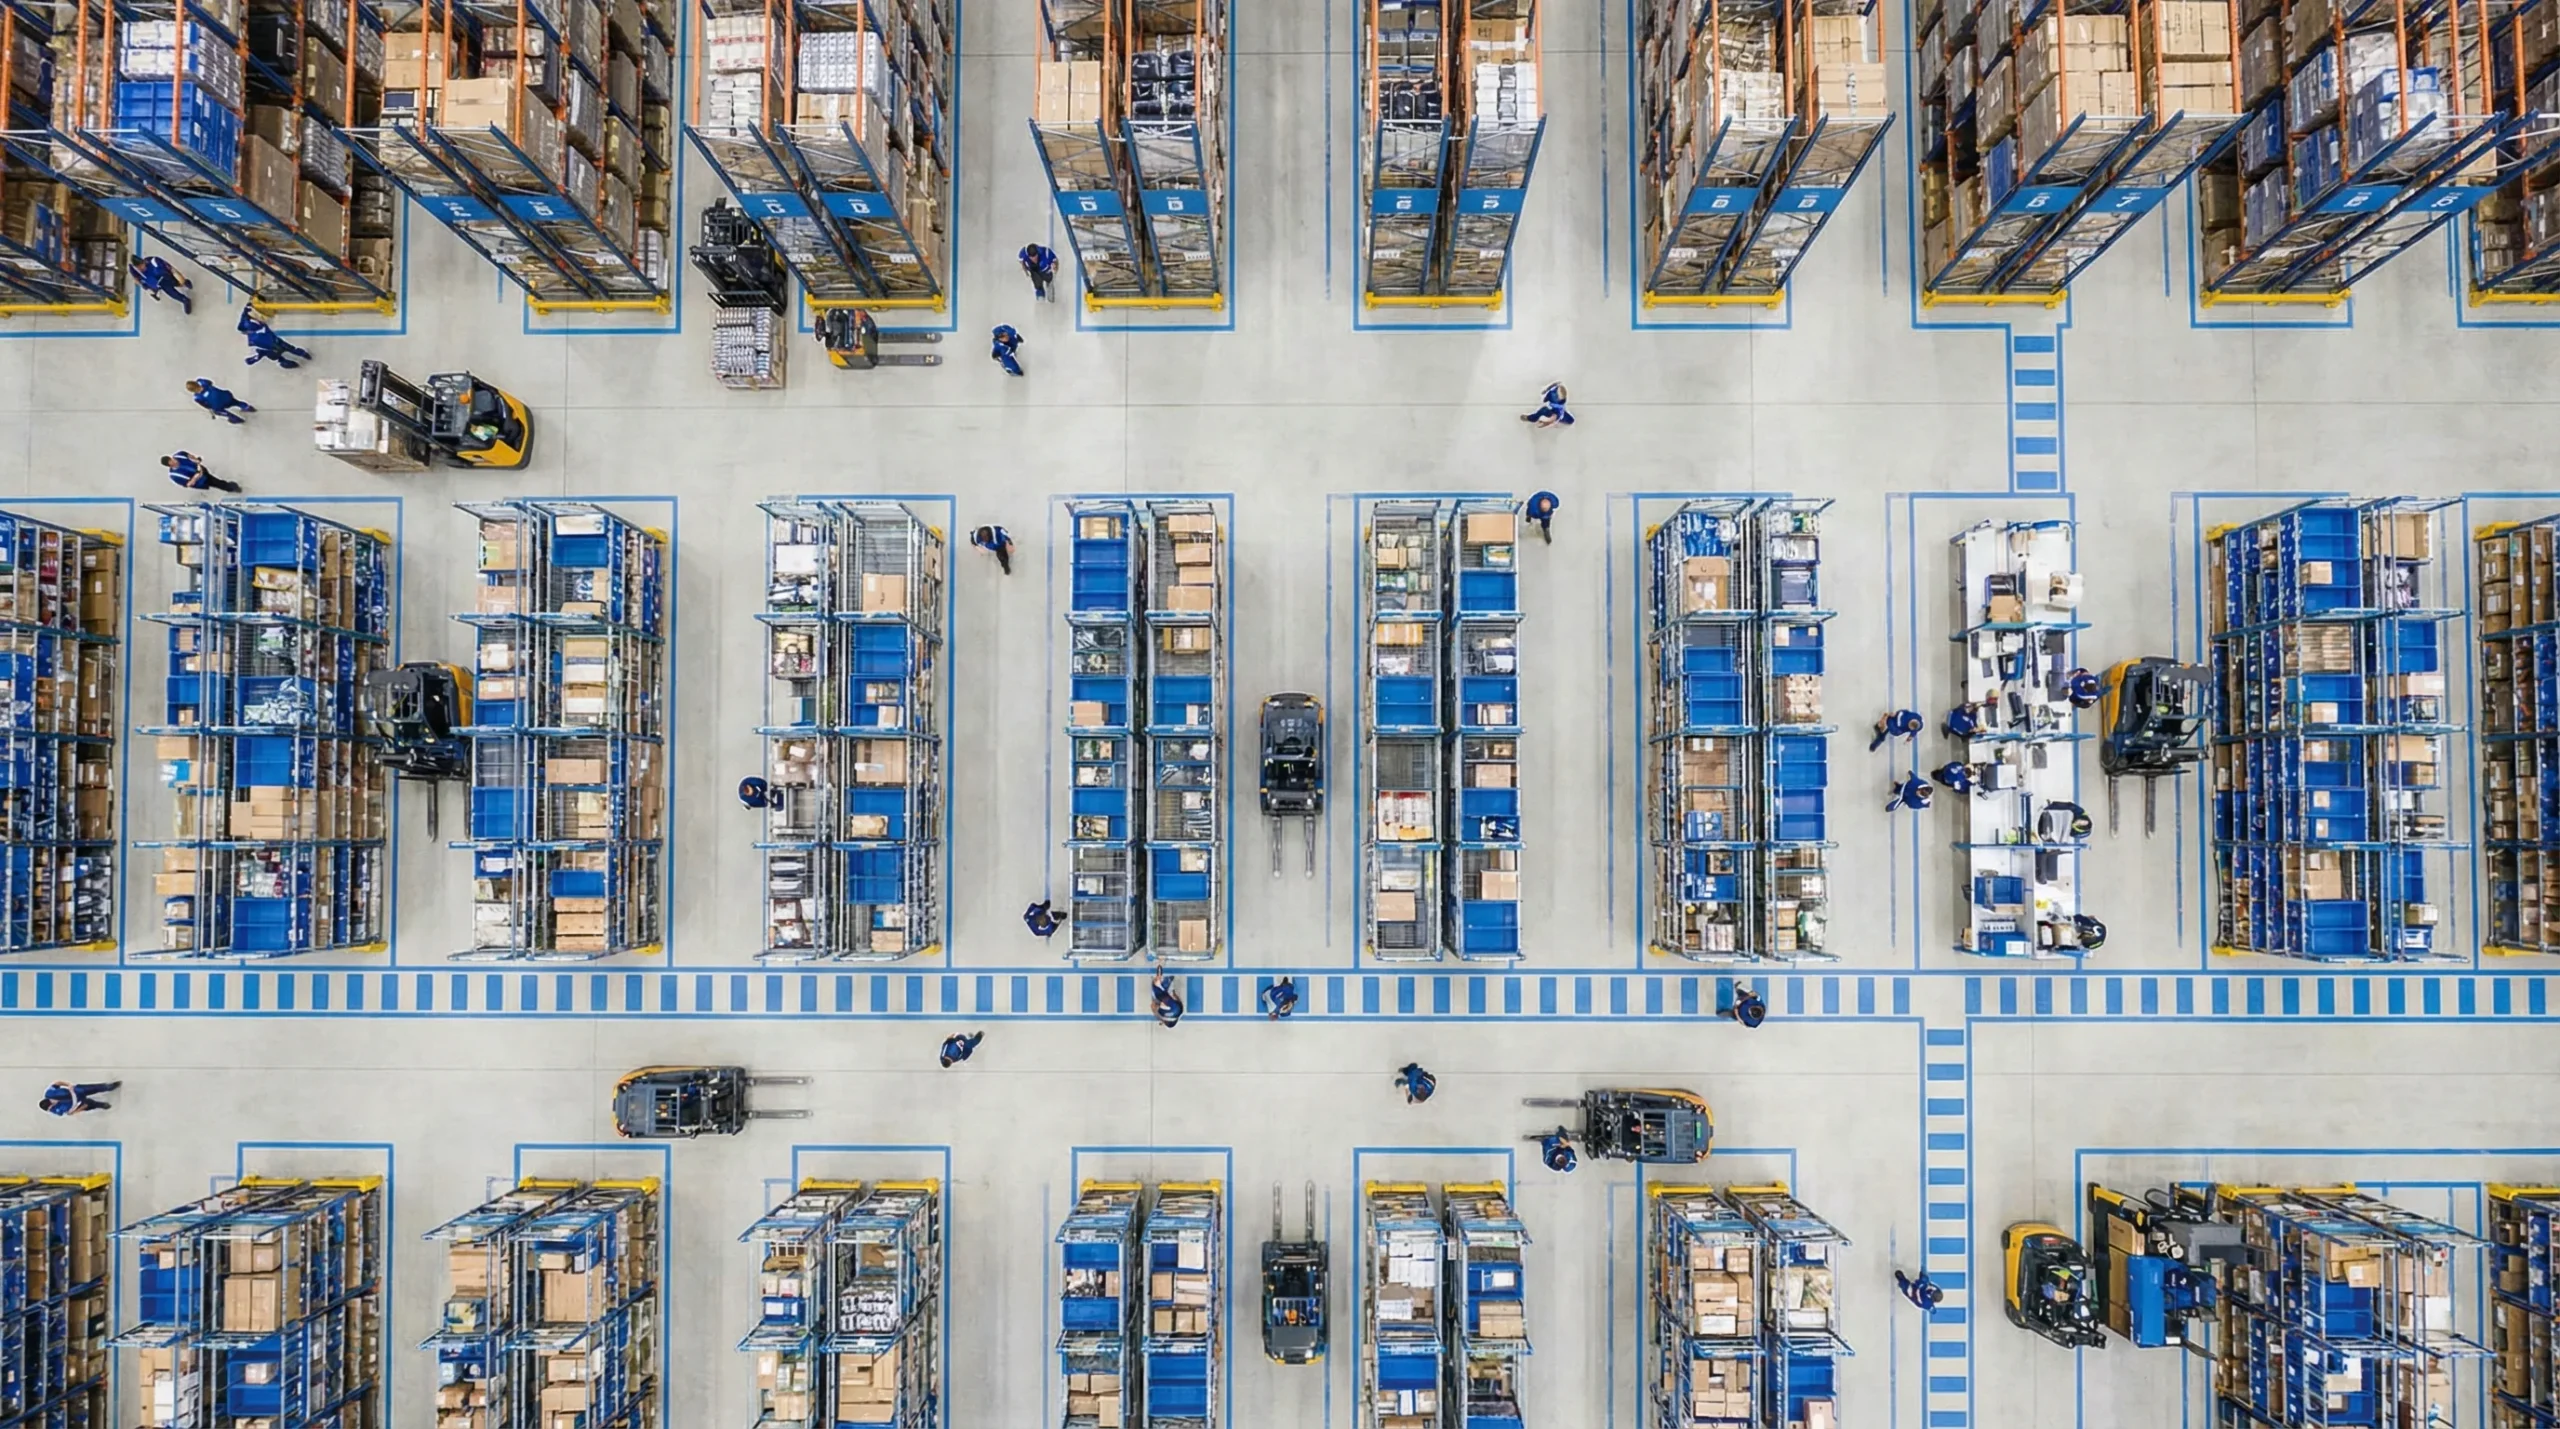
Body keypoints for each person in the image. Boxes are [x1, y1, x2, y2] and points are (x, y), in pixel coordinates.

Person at [238, 306, 311, 369]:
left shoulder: (249, 327)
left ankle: (298, 359)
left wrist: (253, 359)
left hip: (274, 346)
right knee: (289, 350)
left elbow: (260, 352)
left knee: (282, 355)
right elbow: (261, 351)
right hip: (275, 344)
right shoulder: (258, 333)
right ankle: (302, 356)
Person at [161, 452, 241, 493]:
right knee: (217, 483)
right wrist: (196, 477)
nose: (175, 461)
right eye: (172, 462)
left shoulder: (179, 455)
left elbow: (188, 455)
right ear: (169, 466)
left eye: (172, 459)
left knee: (216, 481)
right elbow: (188, 484)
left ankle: (229, 487)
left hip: (202, 470)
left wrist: (196, 460)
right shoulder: (175, 476)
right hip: (201, 480)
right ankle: (232, 488)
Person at [188, 378, 255, 424]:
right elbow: (210, 382)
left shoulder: (197, 397)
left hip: (219, 405)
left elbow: (206, 405)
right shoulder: (202, 382)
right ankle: (247, 407)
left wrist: (210, 407)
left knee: (217, 411)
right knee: (236, 402)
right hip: (225, 396)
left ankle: (234, 418)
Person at [38, 1081, 119, 1116]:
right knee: (92, 1104)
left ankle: (109, 1087)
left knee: (94, 1088)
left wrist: (68, 1085)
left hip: (77, 1091)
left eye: (52, 1102)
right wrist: (80, 1109)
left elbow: (57, 1083)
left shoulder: (50, 1093)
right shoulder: (56, 1110)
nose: (53, 1103)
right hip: (78, 1104)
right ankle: (103, 1105)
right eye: (51, 1106)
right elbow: (70, 1113)